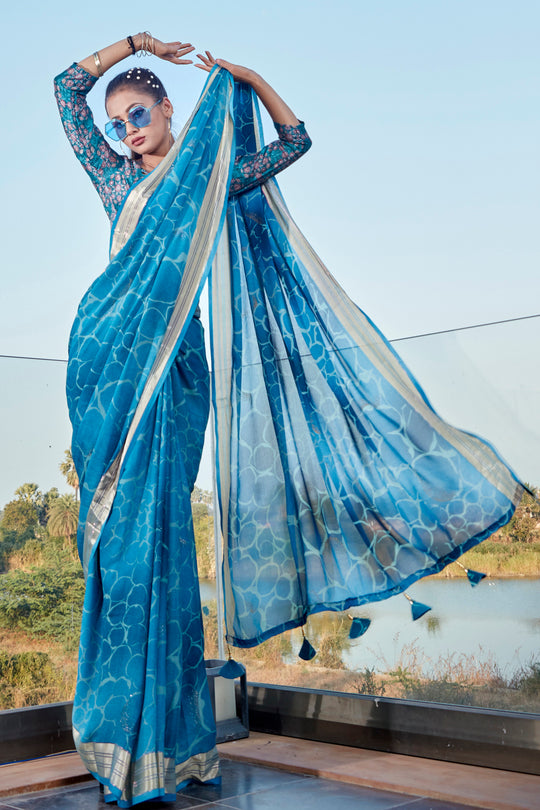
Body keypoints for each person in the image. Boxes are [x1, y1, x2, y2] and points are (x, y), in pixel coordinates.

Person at [54, 33, 311, 807]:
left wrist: (250, 76)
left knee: (163, 542)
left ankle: (171, 748)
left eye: (139, 112)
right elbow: (66, 88)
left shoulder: (207, 183)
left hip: (177, 373)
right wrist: (138, 44)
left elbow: (296, 141)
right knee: (120, 555)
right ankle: (118, 741)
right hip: (112, 363)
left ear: (170, 110)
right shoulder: (112, 178)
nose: (128, 128)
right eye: (119, 121)